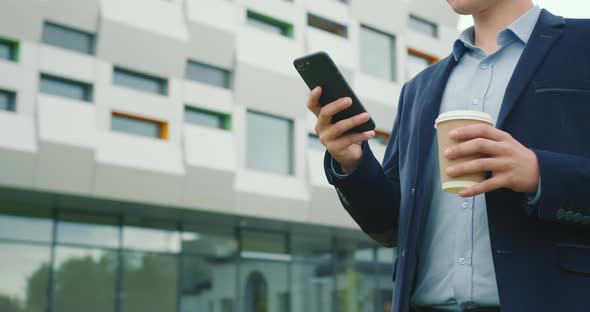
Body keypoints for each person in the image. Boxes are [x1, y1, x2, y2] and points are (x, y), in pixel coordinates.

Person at [306, 0, 590, 311]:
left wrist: (540, 174)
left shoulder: (582, 45)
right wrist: (353, 163)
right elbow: (391, 226)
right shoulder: (419, 88)